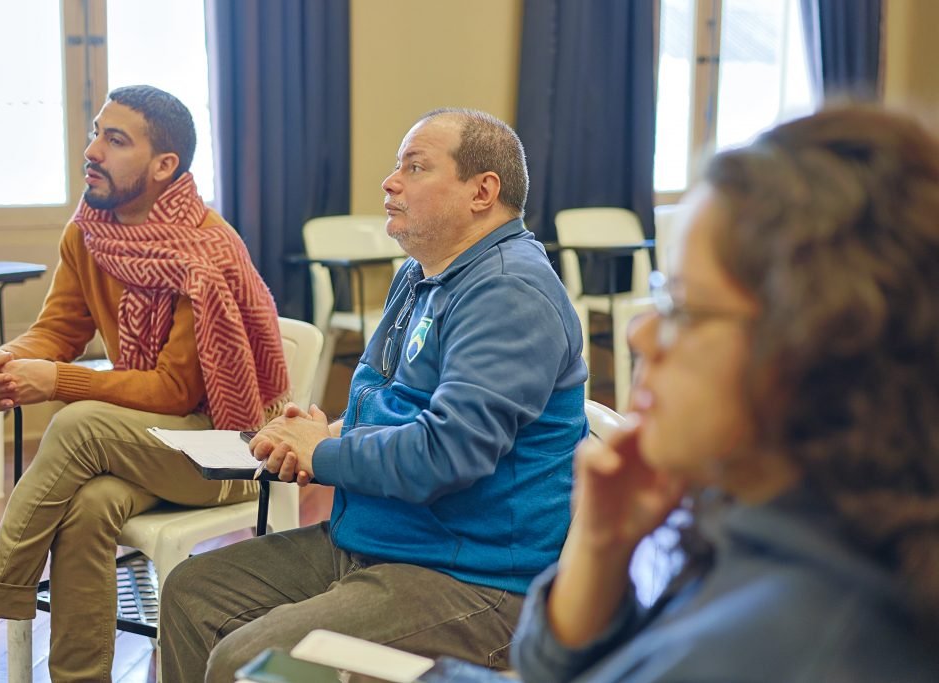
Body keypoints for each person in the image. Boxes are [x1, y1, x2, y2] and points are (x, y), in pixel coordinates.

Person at [158, 108, 588, 681]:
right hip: (381, 540)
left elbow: (446, 454)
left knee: (250, 659)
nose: (391, 182)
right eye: (396, 166)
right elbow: (390, 401)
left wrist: (323, 452)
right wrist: (324, 432)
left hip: (469, 578)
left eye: (415, 167)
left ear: (483, 191)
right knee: (194, 590)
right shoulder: (422, 274)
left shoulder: (508, 292)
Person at [512, 106, 939, 682]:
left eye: (683, 308)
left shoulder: (773, 648)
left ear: (812, 345)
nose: (641, 333)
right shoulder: (758, 526)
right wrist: (599, 549)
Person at [0, 85, 289, 683]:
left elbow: (172, 391)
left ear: (164, 165)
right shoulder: (90, 231)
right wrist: (8, 360)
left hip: (231, 448)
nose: (92, 149)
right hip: (155, 446)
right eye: (96, 132)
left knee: (78, 421)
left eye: (116, 140)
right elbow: (57, 330)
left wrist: (58, 382)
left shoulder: (204, 253)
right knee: (89, 505)